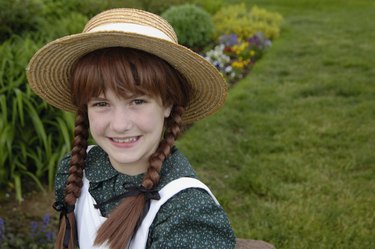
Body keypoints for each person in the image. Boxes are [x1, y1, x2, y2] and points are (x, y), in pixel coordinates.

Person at [27, 8, 235, 249]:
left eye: (137, 101)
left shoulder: (187, 214)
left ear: (167, 103)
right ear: (86, 108)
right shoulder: (77, 170)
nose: (120, 124)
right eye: (102, 103)